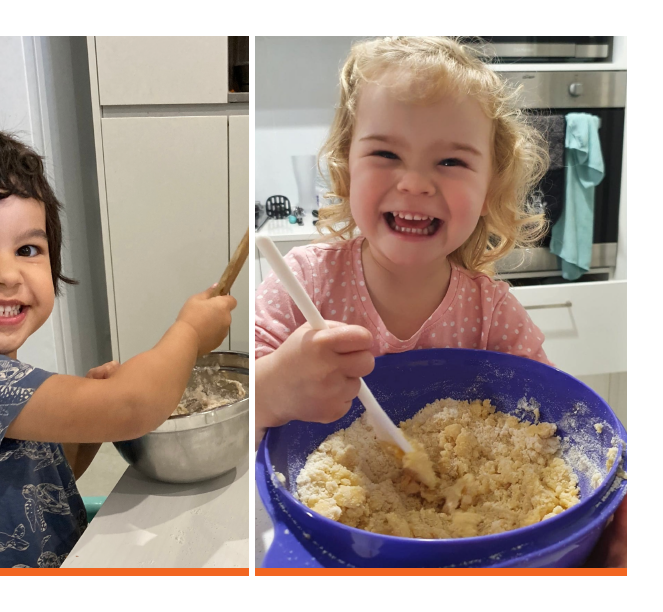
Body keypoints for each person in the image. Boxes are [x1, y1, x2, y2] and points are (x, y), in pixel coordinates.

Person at [253, 36, 625, 568]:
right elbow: (239, 429)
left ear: (490, 187)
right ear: (344, 167)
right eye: (385, 153)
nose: (414, 183)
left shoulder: (491, 312)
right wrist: (274, 389)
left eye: (451, 161)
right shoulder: (303, 287)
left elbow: (554, 428)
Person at [0, 127, 235, 568]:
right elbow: (135, 405)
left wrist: (89, 424)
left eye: (27, 248)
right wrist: (191, 333)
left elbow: (41, 483)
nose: (7, 274)